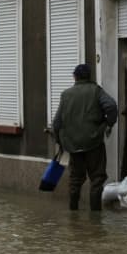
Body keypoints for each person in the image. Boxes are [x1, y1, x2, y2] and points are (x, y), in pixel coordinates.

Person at [52, 64, 118, 211]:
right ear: (89, 76)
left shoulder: (66, 94)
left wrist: (59, 141)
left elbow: (56, 123)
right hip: (94, 142)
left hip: (73, 145)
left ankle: (73, 212)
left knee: (75, 179)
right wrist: (108, 123)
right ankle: (95, 216)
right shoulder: (96, 91)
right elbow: (111, 106)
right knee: (97, 178)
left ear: (74, 77)